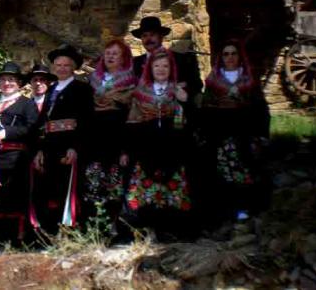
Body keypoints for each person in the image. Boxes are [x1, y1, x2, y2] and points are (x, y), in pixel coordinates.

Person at [125, 49, 192, 235]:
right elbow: (132, 123)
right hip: (147, 147)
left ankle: (171, 229)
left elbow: (187, 122)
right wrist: (134, 148)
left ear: (171, 69)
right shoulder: (140, 93)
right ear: (150, 69)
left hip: (172, 147)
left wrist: (185, 101)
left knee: (171, 186)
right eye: (156, 66)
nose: (161, 69)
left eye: (165, 66)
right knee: (147, 187)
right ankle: (148, 229)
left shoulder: (178, 90)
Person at [201, 39, 270, 222]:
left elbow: (260, 107)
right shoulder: (213, 81)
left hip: (245, 131)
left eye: (233, 53)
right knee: (224, 170)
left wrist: (262, 133)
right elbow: (206, 107)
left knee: (246, 169)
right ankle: (227, 210)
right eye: (226, 54)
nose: (230, 57)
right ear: (221, 57)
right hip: (221, 132)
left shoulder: (250, 80)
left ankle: (248, 207)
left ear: (240, 56)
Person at [0, 62, 38, 244]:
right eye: (3, 80)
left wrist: (8, 133)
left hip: (13, 159)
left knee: (11, 197)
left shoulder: (27, 104)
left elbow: (32, 127)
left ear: (19, 83)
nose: (7, 83)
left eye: (11, 79)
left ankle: (12, 240)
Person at [33, 45, 94, 232]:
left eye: (66, 65)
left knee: (68, 188)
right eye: (58, 65)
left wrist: (75, 147)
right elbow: (42, 122)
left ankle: (71, 231)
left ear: (73, 67)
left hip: (68, 146)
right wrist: (39, 149)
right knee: (50, 190)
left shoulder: (82, 89)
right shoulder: (50, 90)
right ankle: (52, 231)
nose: (62, 68)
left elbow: (86, 120)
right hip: (50, 146)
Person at [83, 39, 137, 229]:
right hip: (95, 139)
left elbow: (132, 117)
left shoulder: (131, 83)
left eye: (115, 53)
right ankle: (96, 227)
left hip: (117, 137)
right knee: (93, 183)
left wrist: (125, 149)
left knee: (116, 185)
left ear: (124, 58)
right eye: (108, 53)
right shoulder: (92, 81)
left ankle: (117, 227)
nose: (110, 57)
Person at [131, 16, 203, 112]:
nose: (148, 39)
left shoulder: (182, 60)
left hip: (176, 114)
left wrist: (178, 90)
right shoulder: (134, 63)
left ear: (161, 36)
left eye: (152, 35)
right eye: (144, 36)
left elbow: (196, 86)